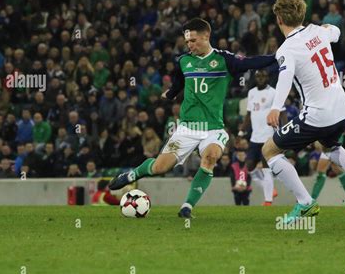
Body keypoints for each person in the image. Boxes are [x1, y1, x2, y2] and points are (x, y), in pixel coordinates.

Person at [110, 18, 277, 218]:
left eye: (194, 40)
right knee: (160, 167)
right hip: (187, 128)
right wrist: (170, 94)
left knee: (210, 157)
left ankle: (187, 207)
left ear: (207, 36)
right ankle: (132, 174)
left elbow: (252, 62)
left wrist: (276, 57)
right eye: (187, 41)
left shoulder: (224, 60)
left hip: (213, 128)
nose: (190, 45)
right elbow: (179, 82)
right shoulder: (183, 61)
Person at [262, 0, 345, 224]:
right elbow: (336, 33)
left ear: (278, 18)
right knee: (330, 146)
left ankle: (305, 203)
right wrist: (327, 27)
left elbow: (285, 77)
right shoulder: (318, 31)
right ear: (303, 13)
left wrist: (275, 107)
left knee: (269, 151)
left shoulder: (286, 49)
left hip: (319, 115)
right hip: (342, 111)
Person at [239, 69, 284, 206]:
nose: (260, 78)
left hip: (268, 137)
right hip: (254, 137)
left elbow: (282, 114)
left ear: (267, 77)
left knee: (266, 168)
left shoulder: (274, 93)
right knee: (250, 166)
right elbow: (248, 114)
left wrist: (283, 132)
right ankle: (269, 189)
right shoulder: (251, 92)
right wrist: (241, 131)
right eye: (258, 76)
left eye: (263, 76)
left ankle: (268, 201)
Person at [311, 118, 345, 207]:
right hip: (329, 139)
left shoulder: (336, 107)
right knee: (335, 169)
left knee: (321, 171)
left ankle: (310, 202)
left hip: (333, 139)